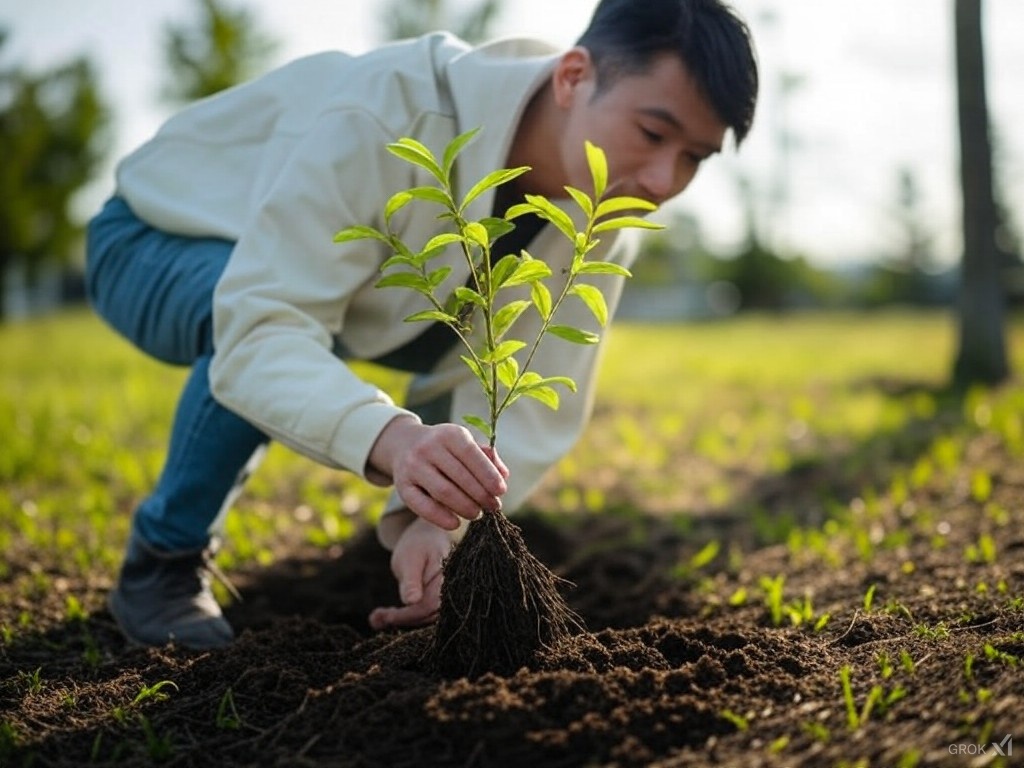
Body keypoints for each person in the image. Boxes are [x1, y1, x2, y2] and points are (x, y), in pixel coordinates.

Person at [86, 0, 758, 649]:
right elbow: (263, 325)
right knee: (236, 309)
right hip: (159, 238)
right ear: (573, 75)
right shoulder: (392, 112)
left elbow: (536, 385)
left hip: (361, 303)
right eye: (652, 132)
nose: (663, 179)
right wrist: (395, 439)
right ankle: (163, 561)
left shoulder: (605, 212)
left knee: (467, 332)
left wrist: (438, 519)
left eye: (695, 157)